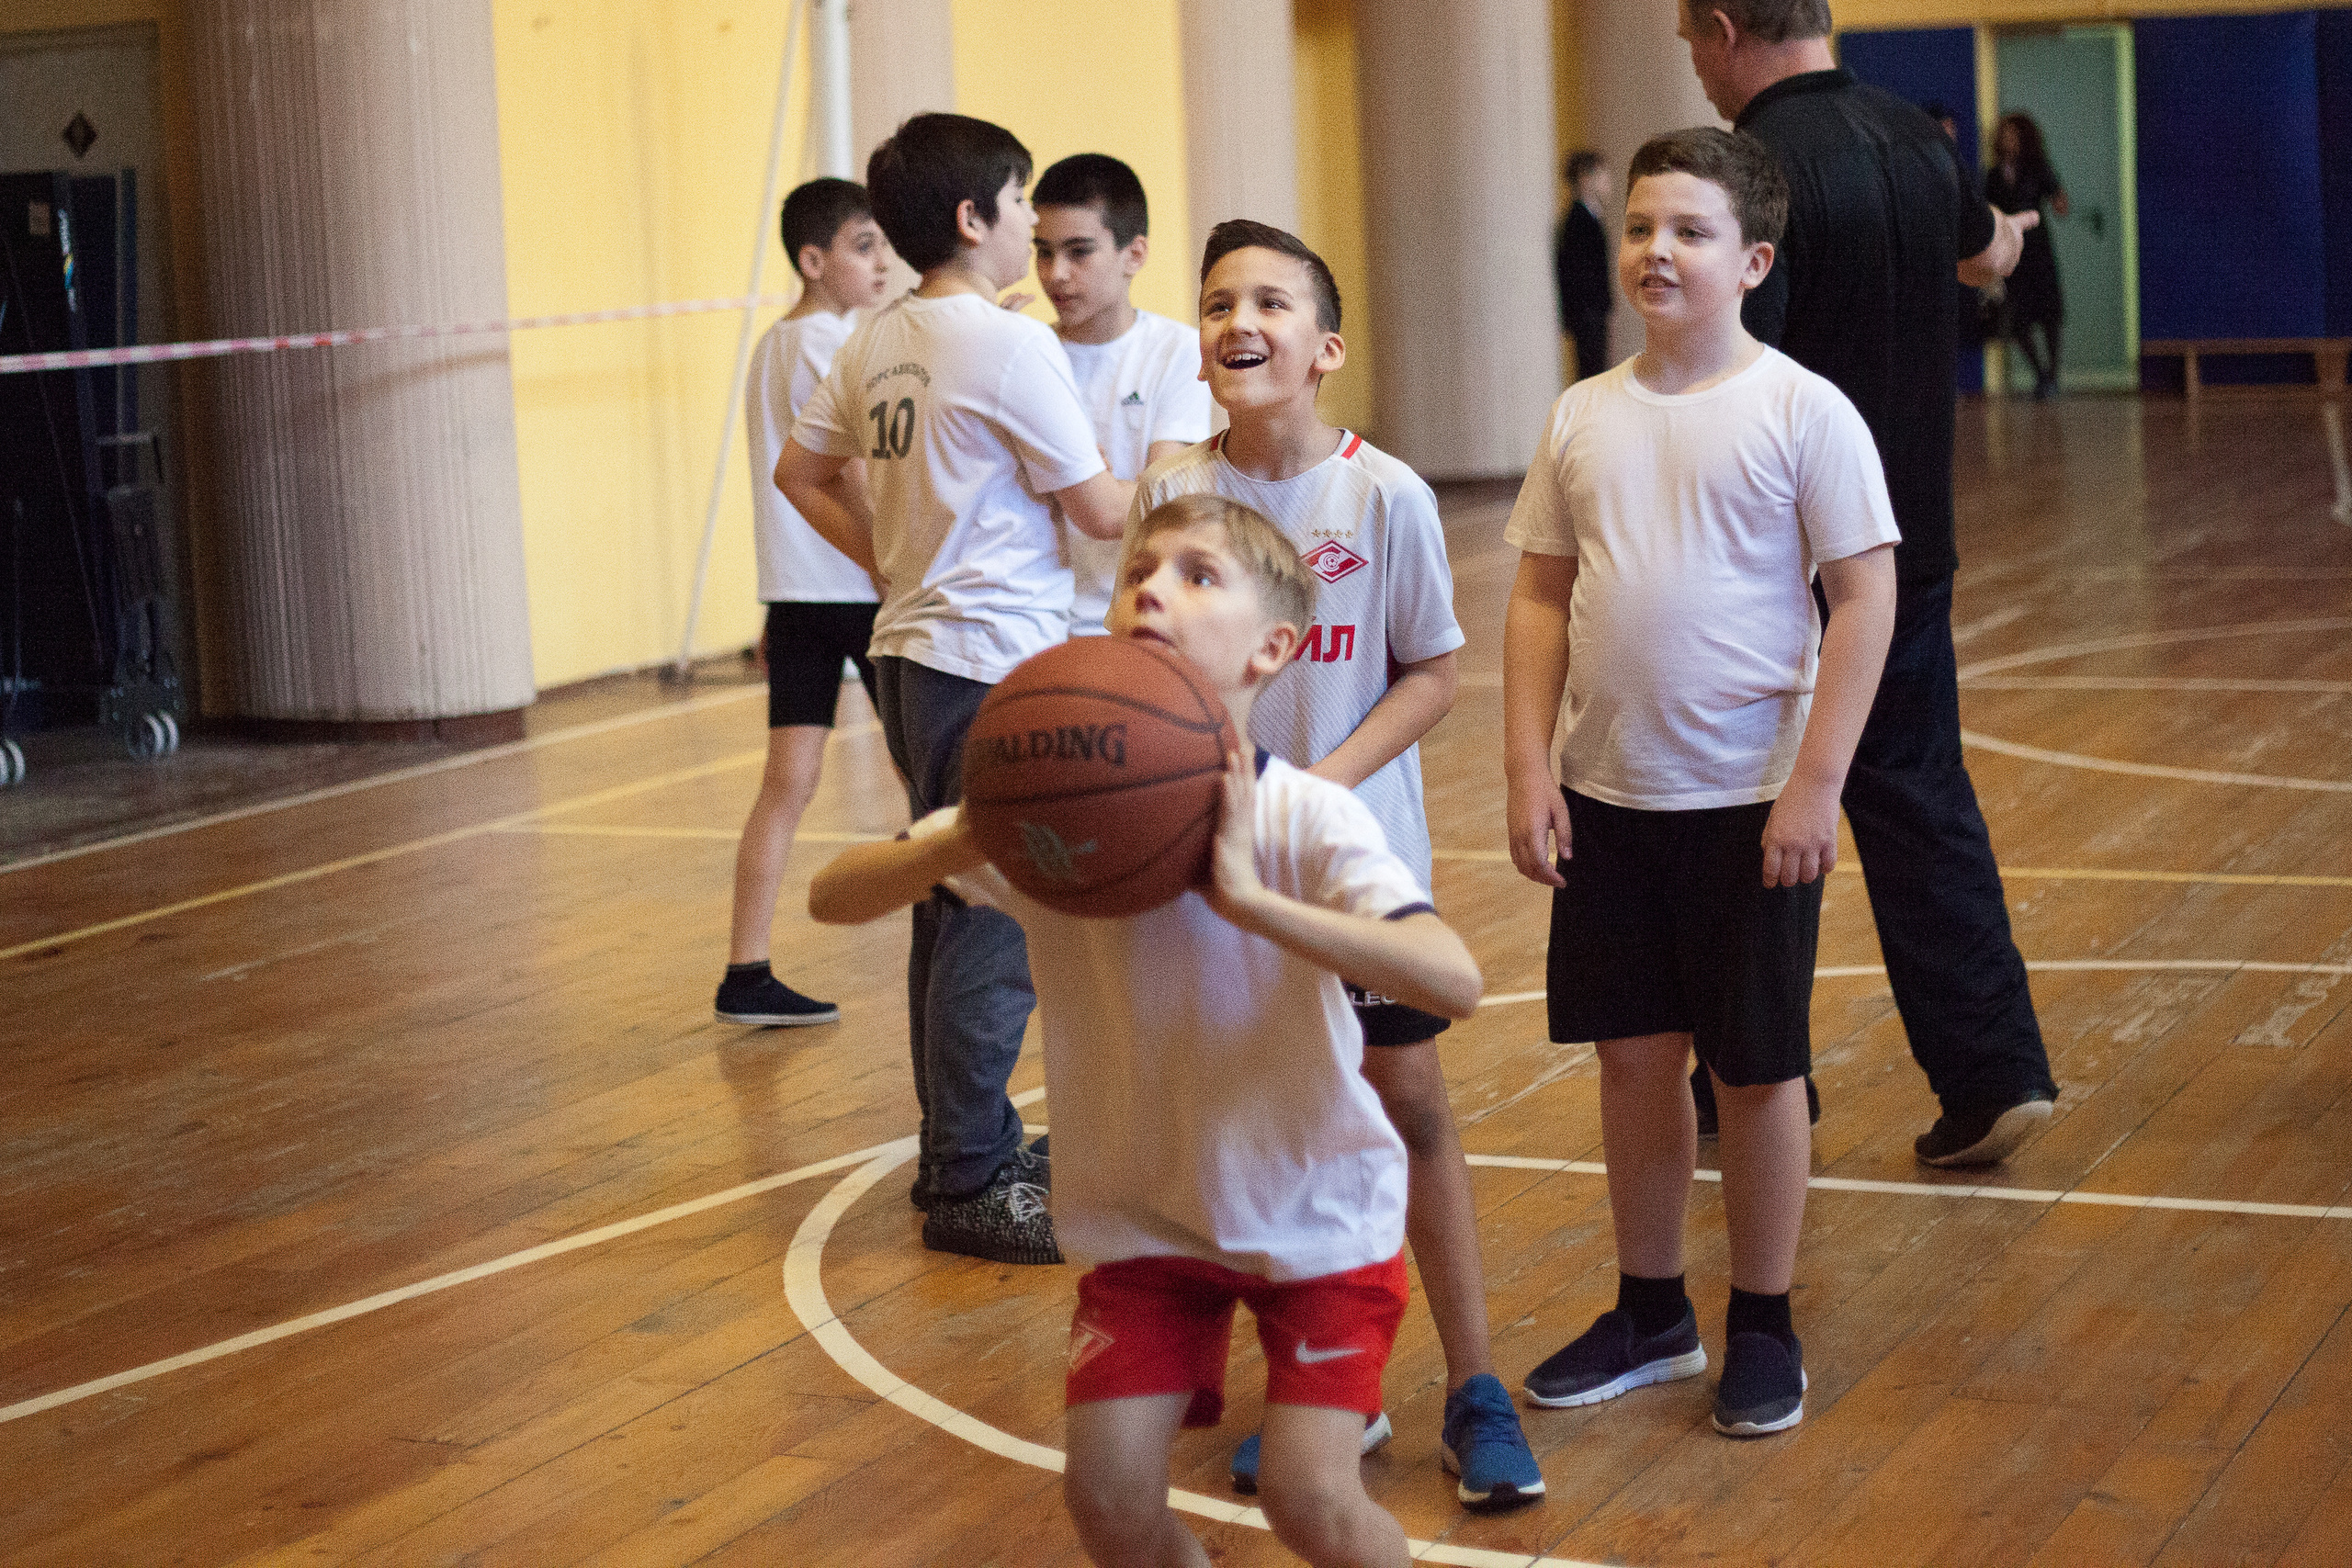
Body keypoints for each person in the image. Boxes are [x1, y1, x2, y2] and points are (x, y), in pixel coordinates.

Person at [808, 493, 1478, 1568]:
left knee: (1309, 1499)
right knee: (1109, 1500)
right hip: (1144, 1223)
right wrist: (964, 834)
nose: (1154, 588)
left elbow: (1454, 978)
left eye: (1198, 575)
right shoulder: (1052, 824)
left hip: (1315, 1215)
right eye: (1138, 573)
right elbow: (832, 900)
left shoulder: (1307, 817)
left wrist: (1259, 903)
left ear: (1272, 648)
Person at [1133, 220, 1544, 1511]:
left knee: (1408, 1105)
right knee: (1271, 1119)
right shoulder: (1171, 493)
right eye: (1214, 302)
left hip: (1351, 855)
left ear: (1327, 345)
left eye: (1268, 301)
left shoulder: (1387, 495)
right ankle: (1333, 1388)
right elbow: (1141, 668)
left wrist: (1312, 789)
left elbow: (1432, 671)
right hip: (1215, 871)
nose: (1236, 320)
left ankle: (1477, 1381)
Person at [1501, 128, 1898, 1436]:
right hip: (1609, 796)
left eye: (1688, 231)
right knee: (1631, 1057)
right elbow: (1540, 596)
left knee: (1756, 1068)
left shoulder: (1803, 409)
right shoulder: (1582, 413)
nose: (1656, 251)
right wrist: (1528, 767)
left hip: (1752, 798)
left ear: (1753, 259)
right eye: (1639, 228)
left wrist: (1815, 784)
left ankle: (1765, 1317)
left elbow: (1863, 599)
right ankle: (1652, 1305)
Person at [1677, 0, 2060, 1168]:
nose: (1694, 68)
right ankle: (1993, 1072)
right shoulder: (1915, 136)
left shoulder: (1754, 171)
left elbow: (1737, 377)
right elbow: (1982, 245)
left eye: (1691, 41)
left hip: (1781, 560)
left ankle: (1748, 1083)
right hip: (1910, 545)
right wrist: (2003, 240)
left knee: (1747, 818)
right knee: (1919, 800)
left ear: (1728, 26)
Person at [777, 113, 1135, 1263]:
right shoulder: (1004, 346)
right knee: (993, 916)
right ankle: (972, 1174)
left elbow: (802, 471)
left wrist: (885, 557)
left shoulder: (880, 334)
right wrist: (1210, 466)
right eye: (1022, 203)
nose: (1036, 226)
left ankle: (957, 1148)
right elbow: (1100, 512)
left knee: (947, 891)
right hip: (988, 656)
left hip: (911, 649)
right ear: (976, 218)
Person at [712, 178, 896, 1030]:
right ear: (813, 260)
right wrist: (891, 559)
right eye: (863, 246)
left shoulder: (772, 346)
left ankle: (745, 969)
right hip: (853, 590)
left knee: (785, 786)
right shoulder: (824, 341)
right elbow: (848, 468)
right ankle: (971, 930)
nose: (880, 261)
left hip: (795, 598)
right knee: (927, 772)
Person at [1029, 153, 1216, 637]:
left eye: (1079, 252)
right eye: (1043, 252)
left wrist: (1080, 484)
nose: (1056, 274)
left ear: (1133, 254)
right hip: (1039, 619)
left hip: (1137, 616)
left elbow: (1165, 501)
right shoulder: (1026, 354)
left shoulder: (1175, 350)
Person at [1987, 111, 2068, 398]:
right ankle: (2041, 375)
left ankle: (2052, 376)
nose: (2008, 139)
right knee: (2018, 319)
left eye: (2013, 134)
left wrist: (2059, 201)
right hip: (2013, 253)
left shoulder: (2037, 169)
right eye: (2004, 134)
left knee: (2049, 315)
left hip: (2038, 251)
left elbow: (2059, 201)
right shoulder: (1994, 175)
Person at [1553, 149, 1615, 383]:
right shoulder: (1578, 220)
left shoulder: (1588, 217)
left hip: (1592, 312)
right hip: (1587, 314)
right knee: (1592, 373)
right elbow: (1577, 272)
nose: (1607, 183)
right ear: (1585, 178)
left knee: (1596, 370)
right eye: (1602, 176)